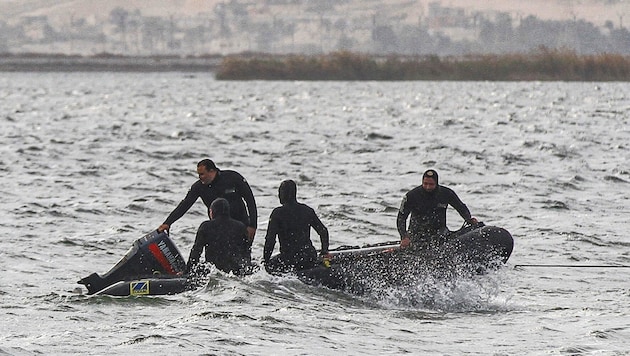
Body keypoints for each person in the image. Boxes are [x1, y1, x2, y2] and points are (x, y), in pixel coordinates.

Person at [158, 159, 257, 242]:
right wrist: (168, 223)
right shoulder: (199, 187)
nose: (200, 177)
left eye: (202, 174)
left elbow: (250, 201)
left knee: (241, 258)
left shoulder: (233, 178)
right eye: (198, 174)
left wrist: (253, 225)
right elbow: (185, 205)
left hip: (241, 225)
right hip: (217, 227)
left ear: (211, 171)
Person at [397, 169, 477, 249]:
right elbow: (401, 218)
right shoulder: (411, 196)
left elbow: (460, 207)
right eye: (425, 184)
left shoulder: (446, 193)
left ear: (436, 183)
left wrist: (468, 219)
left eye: (431, 184)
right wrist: (404, 237)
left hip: (440, 234)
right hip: (417, 234)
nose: (428, 187)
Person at [263, 180, 330, 274]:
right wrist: (324, 252)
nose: (278, 196)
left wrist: (266, 261)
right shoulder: (307, 210)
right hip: (308, 257)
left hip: (289, 259)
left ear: (283, 194)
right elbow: (323, 231)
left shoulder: (277, 213)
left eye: (279, 193)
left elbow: (270, 240)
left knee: (271, 266)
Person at [186, 198, 253, 275]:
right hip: (235, 271)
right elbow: (246, 252)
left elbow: (196, 252)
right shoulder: (240, 227)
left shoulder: (206, 226)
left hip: (213, 270)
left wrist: (187, 271)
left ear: (212, 212)